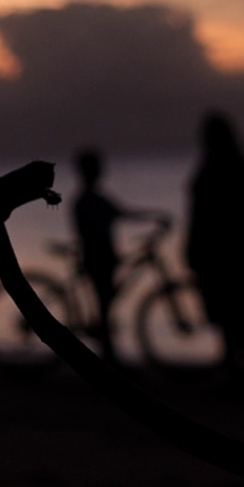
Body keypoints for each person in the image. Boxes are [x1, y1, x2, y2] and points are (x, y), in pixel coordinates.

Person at [185, 112, 244, 394]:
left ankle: (236, 366)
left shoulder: (209, 171)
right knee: (243, 312)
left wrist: (192, 249)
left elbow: (197, 217)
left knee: (226, 312)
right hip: (238, 254)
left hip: (220, 255)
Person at [70, 148, 163, 361]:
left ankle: (109, 358)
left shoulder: (88, 200)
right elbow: (122, 214)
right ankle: (110, 361)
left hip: (102, 258)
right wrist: (155, 217)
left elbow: (122, 214)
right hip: (100, 260)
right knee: (104, 307)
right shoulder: (90, 201)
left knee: (105, 306)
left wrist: (153, 216)